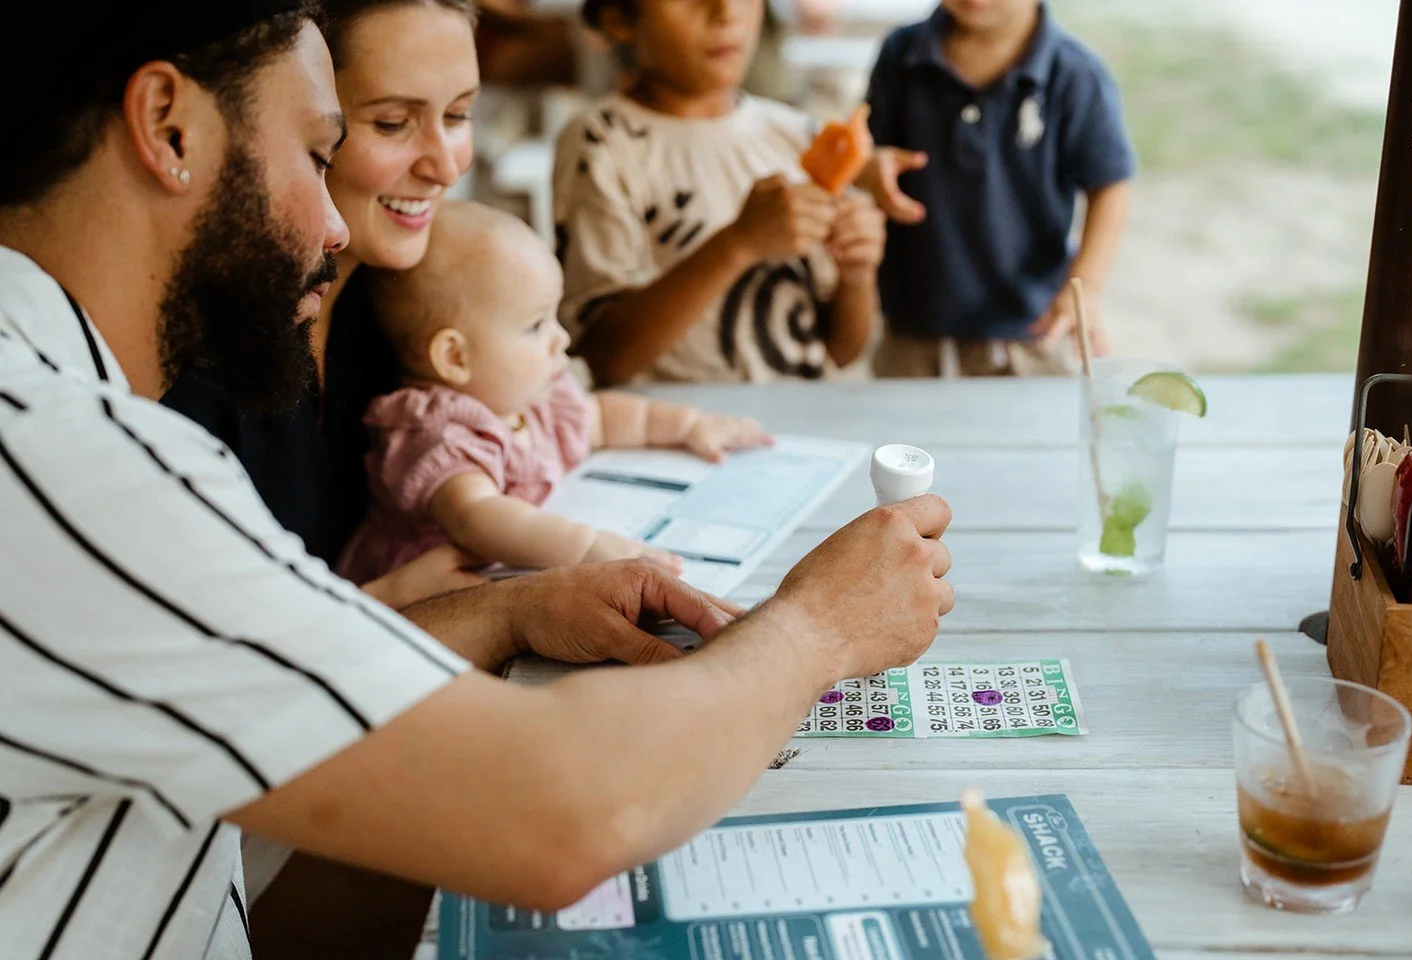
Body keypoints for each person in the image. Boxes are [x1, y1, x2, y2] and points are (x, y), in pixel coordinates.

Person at [0, 4, 954, 959]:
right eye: (315, 148)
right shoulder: (72, 462)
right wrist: (821, 627)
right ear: (169, 127)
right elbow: (564, 812)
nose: (334, 224)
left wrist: (509, 612)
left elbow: (282, 700)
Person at [162, 0, 486, 612]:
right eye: (392, 123)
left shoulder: (409, 303)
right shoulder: (188, 362)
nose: (445, 165)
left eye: (461, 114)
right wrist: (384, 602)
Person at [338, 201, 771, 585]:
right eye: (535, 325)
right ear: (455, 356)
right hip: (423, 609)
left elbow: (602, 418)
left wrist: (691, 426)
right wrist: (589, 549)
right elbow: (478, 518)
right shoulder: (438, 431)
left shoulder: (531, 397)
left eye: (554, 317)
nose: (560, 338)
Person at [554, 0, 888, 386]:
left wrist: (857, 273)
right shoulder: (602, 144)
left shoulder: (797, 135)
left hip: (798, 432)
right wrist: (738, 244)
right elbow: (604, 357)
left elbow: (842, 350)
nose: (727, 12)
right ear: (619, 19)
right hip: (675, 434)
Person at [860, 0, 1135, 378]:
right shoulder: (900, 54)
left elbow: (1110, 187)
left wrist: (1085, 289)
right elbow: (868, 152)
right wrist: (871, 168)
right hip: (912, 325)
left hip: (1031, 332)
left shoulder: (1074, 74)